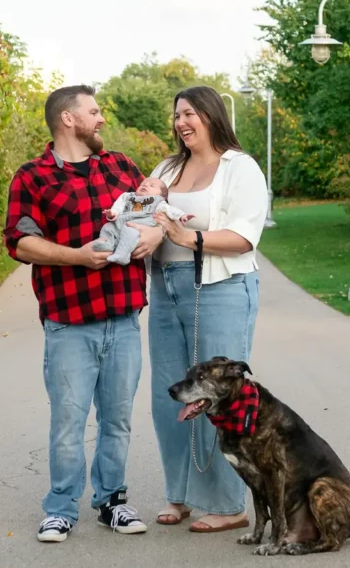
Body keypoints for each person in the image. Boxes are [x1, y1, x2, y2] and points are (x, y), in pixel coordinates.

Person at [3, 84, 164, 543]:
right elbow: (19, 240)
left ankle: (111, 501)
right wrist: (77, 256)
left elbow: (152, 215)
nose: (101, 120)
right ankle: (60, 508)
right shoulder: (32, 176)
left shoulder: (120, 166)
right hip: (69, 323)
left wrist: (152, 236)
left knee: (117, 419)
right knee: (69, 420)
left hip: (124, 318)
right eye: (94, 112)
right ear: (68, 120)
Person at [148, 85, 269, 533]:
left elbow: (244, 237)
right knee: (170, 397)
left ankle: (227, 504)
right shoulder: (167, 167)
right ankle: (179, 496)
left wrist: (190, 239)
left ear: (212, 116)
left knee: (218, 399)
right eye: (178, 114)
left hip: (219, 288)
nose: (182, 122)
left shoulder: (241, 168)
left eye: (191, 113)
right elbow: (146, 213)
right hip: (165, 288)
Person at [94, 177, 193, 265]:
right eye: (142, 184)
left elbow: (170, 210)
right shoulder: (128, 196)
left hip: (142, 224)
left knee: (129, 232)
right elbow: (119, 205)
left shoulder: (158, 201)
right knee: (108, 227)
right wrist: (113, 213)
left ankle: (122, 255)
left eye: (152, 186)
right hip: (123, 220)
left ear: (162, 195)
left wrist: (181, 216)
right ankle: (107, 244)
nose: (145, 185)